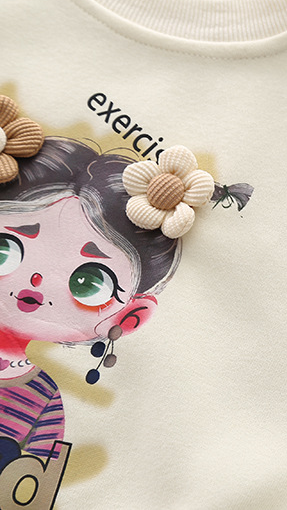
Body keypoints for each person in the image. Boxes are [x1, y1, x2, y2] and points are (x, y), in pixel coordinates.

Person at [0, 137, 180, 463]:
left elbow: (35, 479)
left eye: (87, 282)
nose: (37, 281)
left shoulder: (41, 399)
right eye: (6, 248)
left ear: (130, 316)